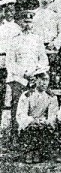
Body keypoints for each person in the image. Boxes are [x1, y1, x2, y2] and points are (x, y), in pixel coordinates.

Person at [6, 9, 49, 139]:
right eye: (25, 22)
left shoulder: (37, 39)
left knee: (35, 106)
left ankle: (34, 138)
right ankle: (16, 136)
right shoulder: (14, 40)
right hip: (19, 78)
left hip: (34, 77)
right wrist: (24, 74)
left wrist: (36, 73)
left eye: (30, 22)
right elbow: (10, 62)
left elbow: (44, 59)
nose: (27, 25)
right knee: (17, 107)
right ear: (20, 23)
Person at [16, 67, 59, 163]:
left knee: (44, 129)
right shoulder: (27, 95)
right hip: (30, 123)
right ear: (35, 80)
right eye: (42, 80)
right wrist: (31, 121)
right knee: (31, 129)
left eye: (46, 80)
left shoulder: (51, 96)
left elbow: (53, 114)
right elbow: (21, 114)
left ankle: (38, 152)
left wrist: (45, 121)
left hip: (43, 123)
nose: (44, 83)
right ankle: (29, 151)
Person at [32, 0, 61, 87]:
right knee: (38, 73)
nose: (45, 0)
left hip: (51, 48)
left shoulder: (56, 15)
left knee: (52, 74)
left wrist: (55, 43)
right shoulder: (33, 15)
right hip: (37, 48)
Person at [0, 0, 20, 117]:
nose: (9, 14)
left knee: (13, 93)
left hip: (13, 64)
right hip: (1, 62)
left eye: (11, 11)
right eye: (6, 11)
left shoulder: (18, 28)